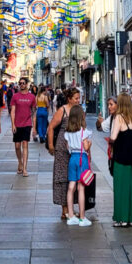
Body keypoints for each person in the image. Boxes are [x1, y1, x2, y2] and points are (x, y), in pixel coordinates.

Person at [48, 87, 81, 220]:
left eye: (79, 98)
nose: (78, 100)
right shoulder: (62, 110)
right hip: (62, 147)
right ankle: (64, 210)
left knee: (74, 177)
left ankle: (71, 209)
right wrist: (51, 145)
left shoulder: (79, 111)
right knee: (62, 177)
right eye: (76, 98)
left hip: (76, 148)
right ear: (69, 99)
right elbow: (51, 127)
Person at [111, 92, 132, 227]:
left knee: (121, 188)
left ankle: (122, 218)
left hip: (121, 158)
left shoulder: (119, 117)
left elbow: (113, 137)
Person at [64, 104, 93, 227]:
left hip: (72, 159)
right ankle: (82, 217)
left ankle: (71, 216)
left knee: (71, 187)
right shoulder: (84, 131)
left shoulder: (68, 133)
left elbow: (67, 147)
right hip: (82, 159)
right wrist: (90, 144)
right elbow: (86, 147)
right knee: (81, 188)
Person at [10, 76, 37, 176]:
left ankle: (25, 168)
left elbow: (34, 113)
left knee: (25, 144)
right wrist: (13, 124)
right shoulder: (15, 96)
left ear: (27, 84)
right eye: (20, 83)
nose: (21, 85)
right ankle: (20, 162)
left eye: (23, 83)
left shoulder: (32, 97)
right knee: (17, 146)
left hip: (27, 123)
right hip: (17, 124)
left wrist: (34, 127)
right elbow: (12, 111)